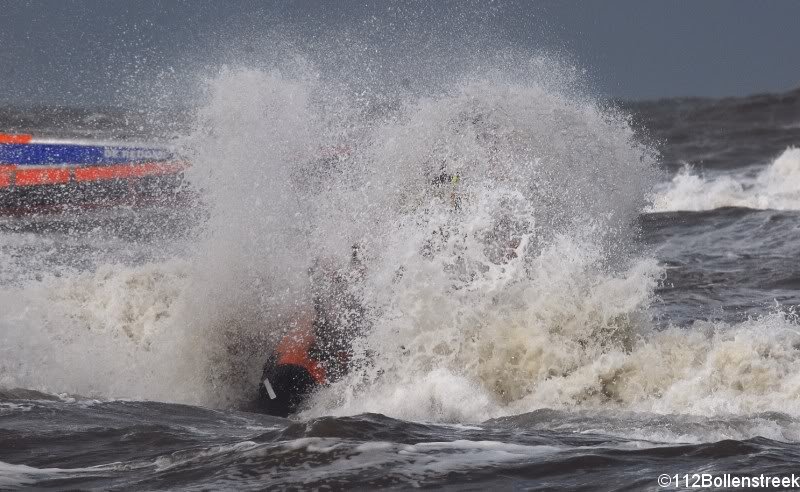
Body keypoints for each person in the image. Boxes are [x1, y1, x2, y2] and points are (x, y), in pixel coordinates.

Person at [257, 246, 365, 417]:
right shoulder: (339, 311)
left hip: (273, 379)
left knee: (270, 419)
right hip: (298, 377)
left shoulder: (302, 308)